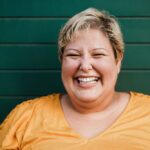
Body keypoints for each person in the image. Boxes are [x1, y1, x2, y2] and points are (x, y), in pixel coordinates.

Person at [0, 7, 150, 150]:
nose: (85, 66)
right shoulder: (25, 118)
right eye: (73, 55)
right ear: (62, 61)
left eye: (98, 54)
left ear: (117, 62)